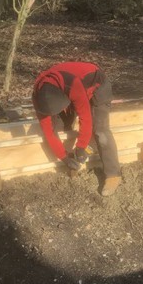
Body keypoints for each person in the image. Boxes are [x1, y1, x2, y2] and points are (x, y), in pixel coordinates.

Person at [31, 61, 121, 196]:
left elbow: (85, 118)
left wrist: (80, 147)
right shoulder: (39, 97)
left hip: (97, 86)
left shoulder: (72, 85)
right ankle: (87, 149)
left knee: (100, 130)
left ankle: (113, 174)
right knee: (63, 126)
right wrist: (64, 157)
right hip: (71, 91)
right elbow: (49, 132)